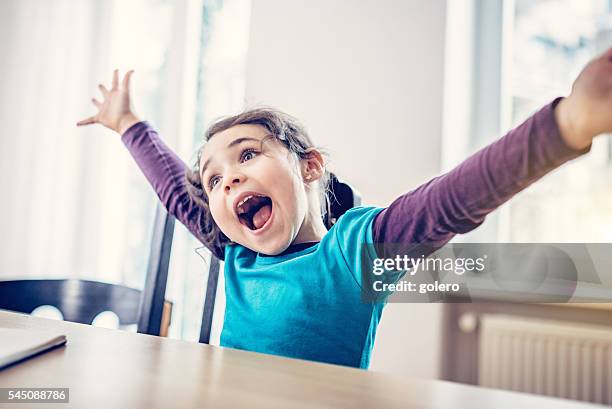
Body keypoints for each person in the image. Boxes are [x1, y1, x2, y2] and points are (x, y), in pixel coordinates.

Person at [77, 48, 612, 368]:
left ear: (309, 166)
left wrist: (567, 125)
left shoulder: (357, 251)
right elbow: (176, 189)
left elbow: (454, 198)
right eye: (215, 179)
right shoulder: (235, 251)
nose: (229, 178)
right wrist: (128, 124)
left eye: (247, 155)